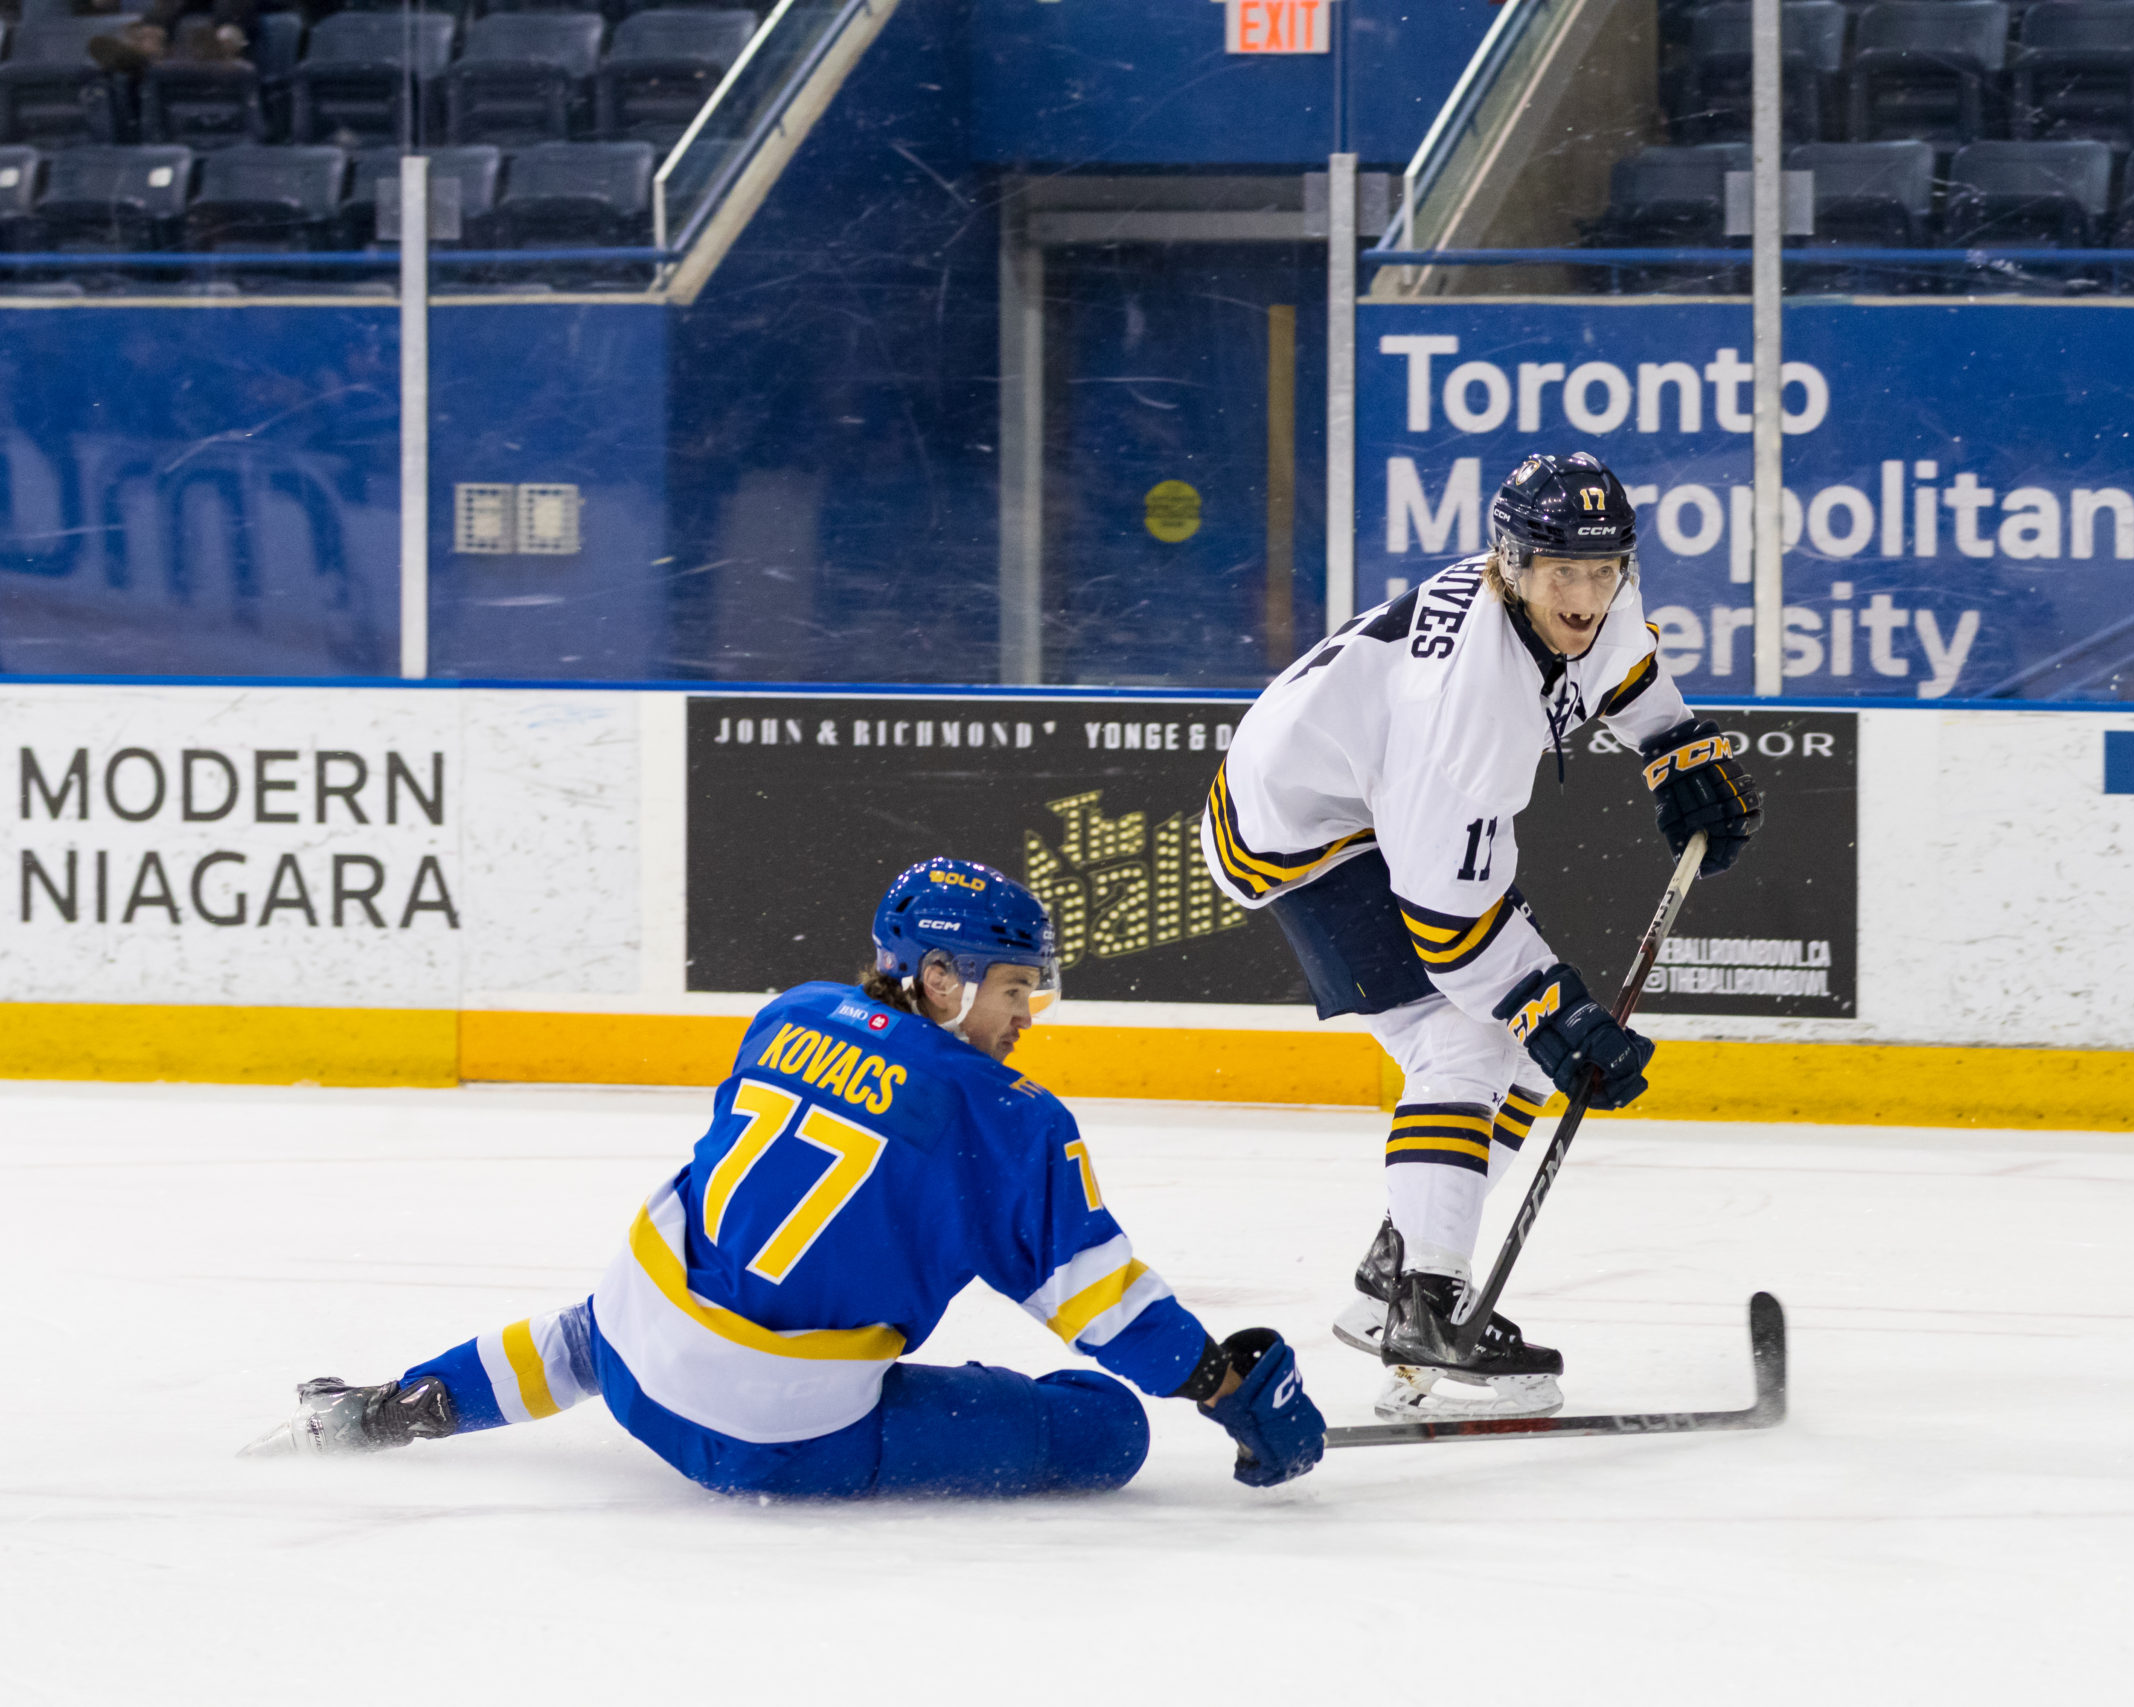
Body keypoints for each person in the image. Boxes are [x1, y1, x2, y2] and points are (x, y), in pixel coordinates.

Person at [243, 858, 1326, 1499]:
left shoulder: (789, 1012)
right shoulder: (1008, 1117)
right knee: (1101, 1429)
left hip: (629, 1360)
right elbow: (1099, 1301)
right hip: (775, 1438)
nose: (1023, 1015)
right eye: (1010, 987)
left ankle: (395, 1406)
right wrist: (1218, 1386)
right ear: (937, 977)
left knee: (611, 1320)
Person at [1203, 451, 1763, 1420]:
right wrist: (1555, 1009)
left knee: (1535, 1052)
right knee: (1470, 1036)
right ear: (1509, 563)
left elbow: (1620, 665)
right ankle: (1426, 1309)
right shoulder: (1469, 709)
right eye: (1563, 575)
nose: (1584, 595)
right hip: (1302, 831)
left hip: (1373, 792)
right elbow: (1449, 927)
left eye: (1602, 570)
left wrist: (1674, 746)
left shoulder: (1580, 588)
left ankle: (1397, 1272)